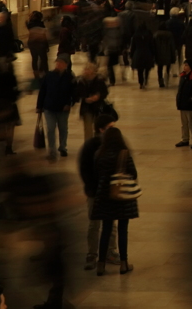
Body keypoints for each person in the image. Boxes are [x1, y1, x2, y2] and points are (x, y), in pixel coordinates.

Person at [91, 126, 137, 276]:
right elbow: (133, 173)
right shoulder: (124, 154)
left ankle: (101, 264)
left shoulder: (99, 154)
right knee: (123, 229)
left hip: (105, 196)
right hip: (122, 196)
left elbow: (96, 174)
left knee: (106, 230)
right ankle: (123, 263)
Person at [78, 113, 119, 270]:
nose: (113, 131)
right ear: (101, 130)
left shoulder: (115, 143)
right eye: (110, 128)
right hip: (95, 192)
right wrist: (92, 187)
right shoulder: (90, 146)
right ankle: (92, 254)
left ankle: (110, 251)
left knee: (111, 223)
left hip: (110, 191)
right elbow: (84, 170)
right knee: (94, 224)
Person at [36, 54, 75, 161]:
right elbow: (43, 91)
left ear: (66, 65)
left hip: (63, 108)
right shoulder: (49, 75)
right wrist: (39, 106)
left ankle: (63, 147)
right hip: (49, 107)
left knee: (63, 128)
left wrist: (70, 103)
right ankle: (51, 150)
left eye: (61, 63)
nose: (58, 64)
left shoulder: (69, 77)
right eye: (57, 62)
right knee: (50, 128)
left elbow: (73, 92)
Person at [175, 60, 192, 149]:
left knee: (191, 123)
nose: (184, 67)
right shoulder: (183, 76)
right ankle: (185, 139)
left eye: (186, 65)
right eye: (184, 65)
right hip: (182, 103)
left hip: (189, 104)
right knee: (184, 123)